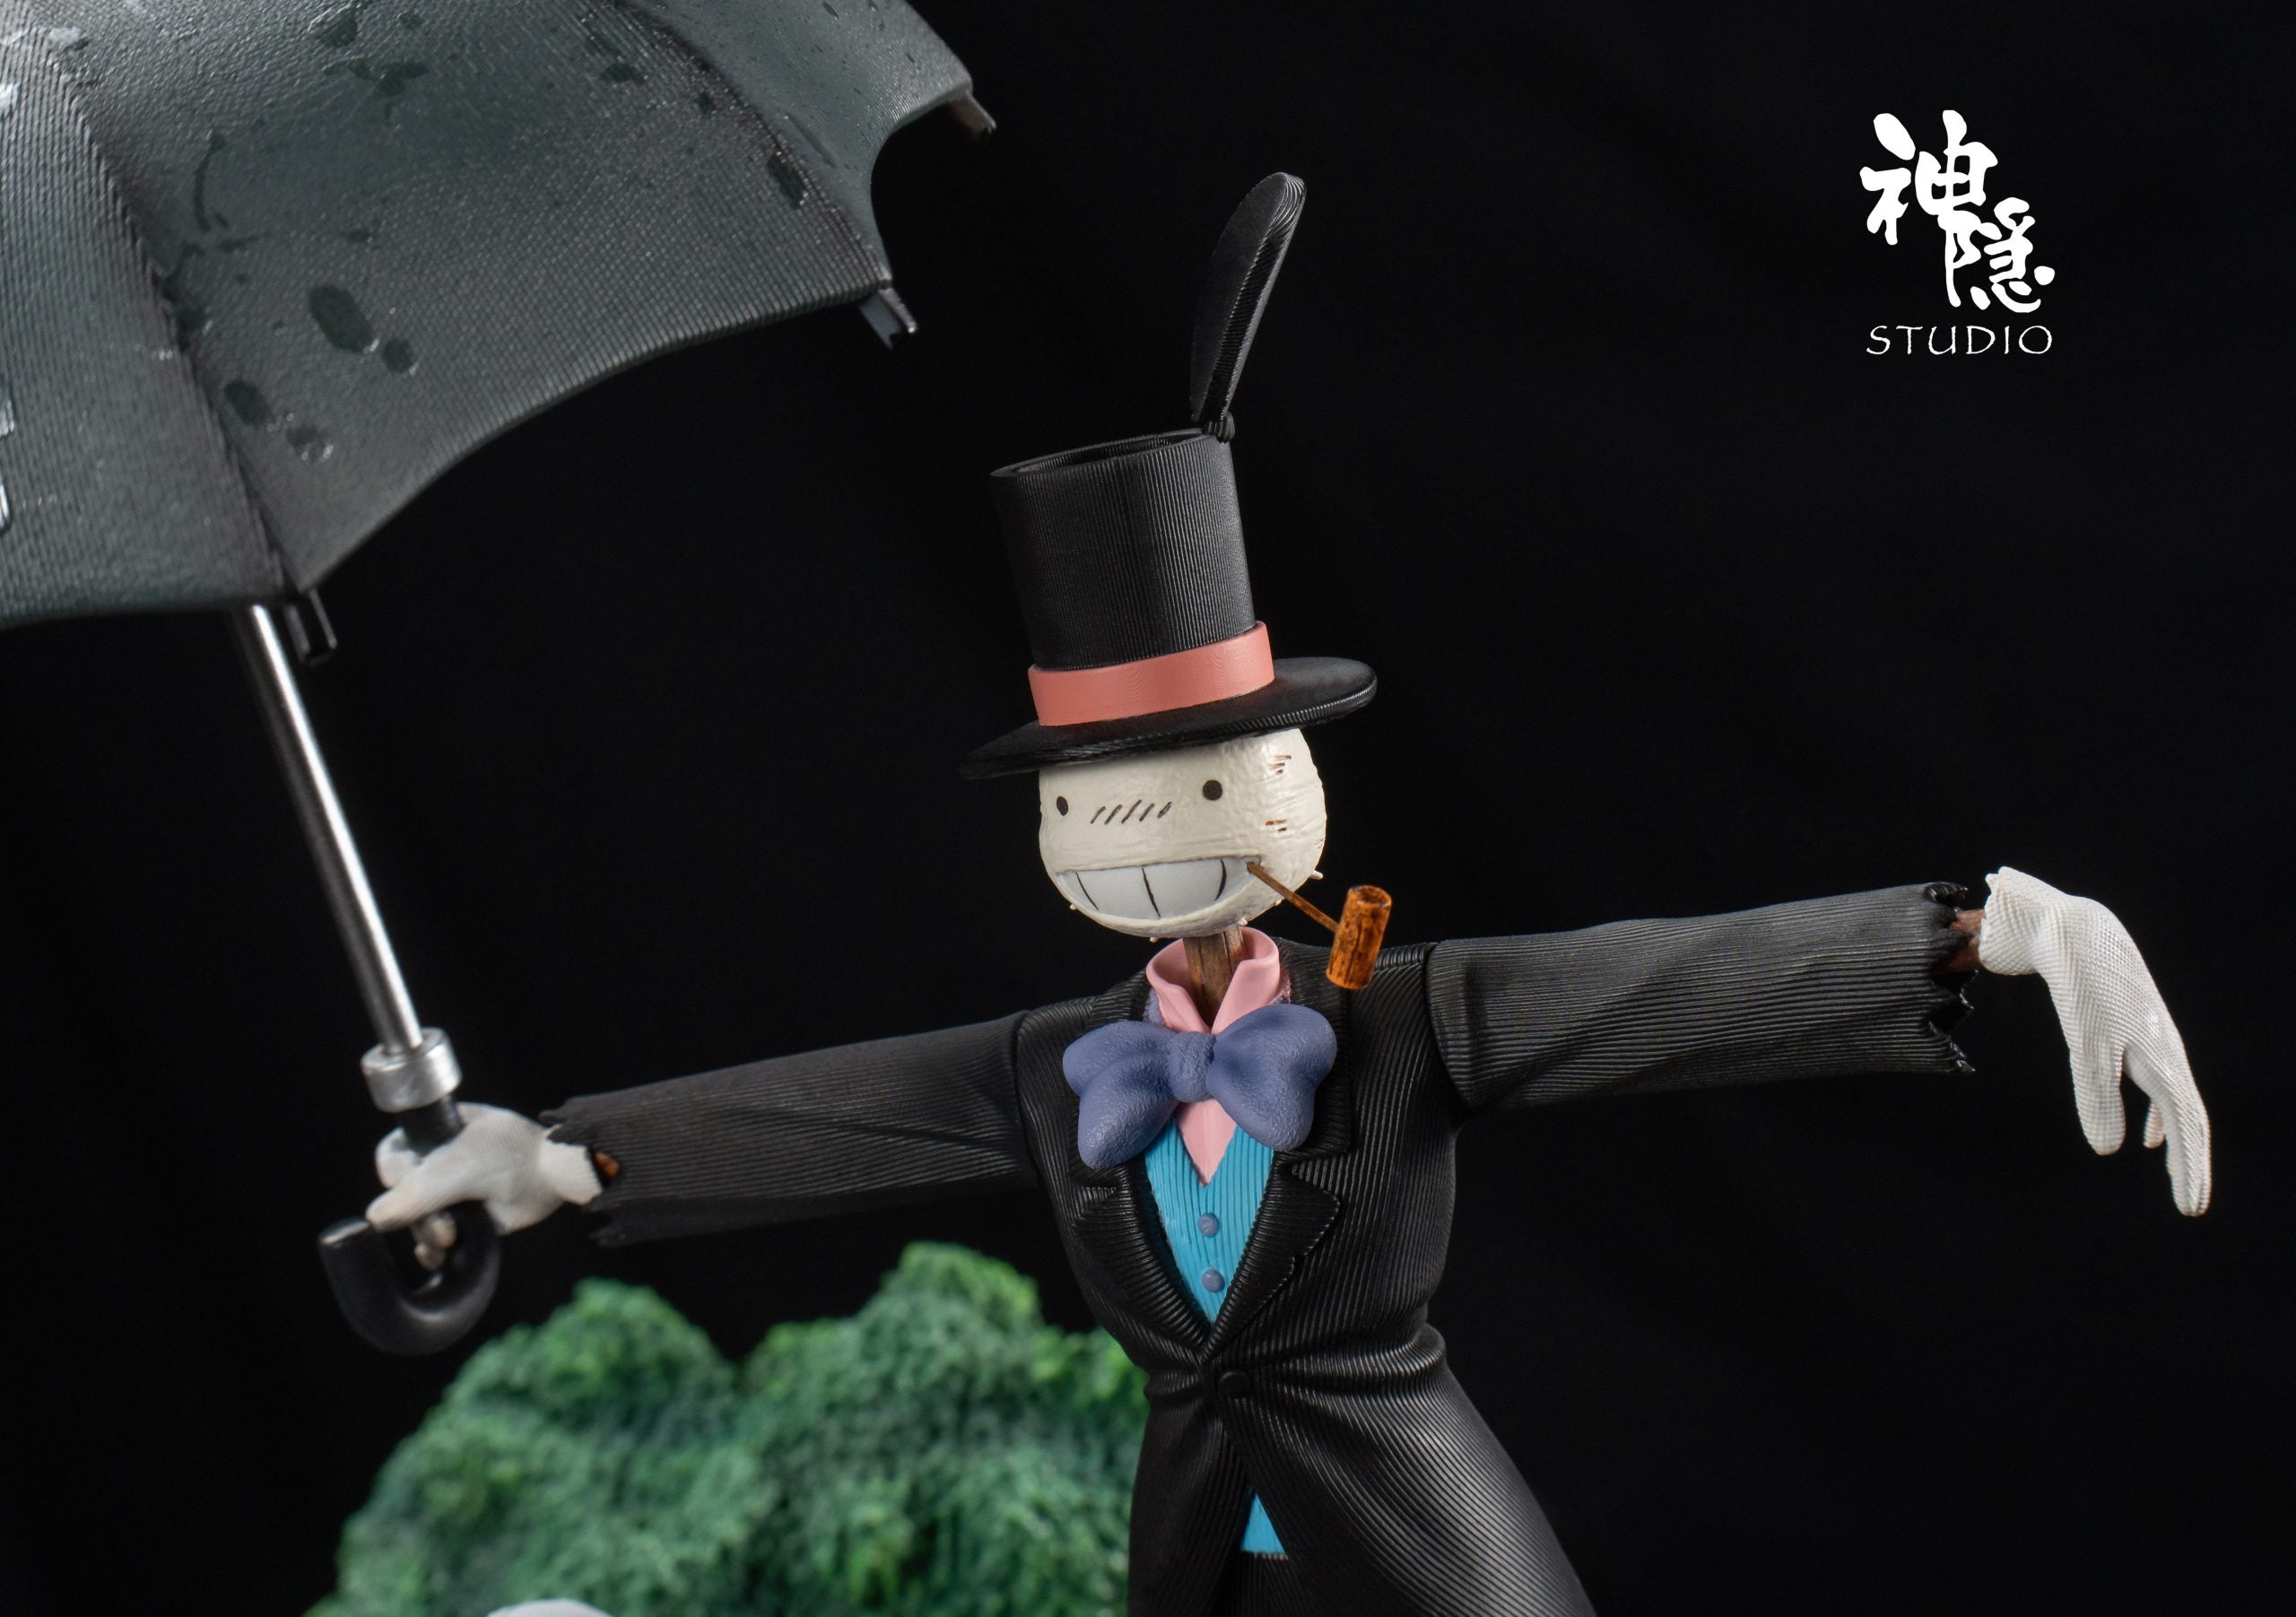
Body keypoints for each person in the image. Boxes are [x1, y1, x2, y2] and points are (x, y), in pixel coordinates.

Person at [365, 177, 2210, 1617]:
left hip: (1412, 1527)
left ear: (1295, 782)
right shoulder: (1054, 1065)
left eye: (1205, 780)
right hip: (1205, 1542)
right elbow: (828, 1115)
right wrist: (558, 1157)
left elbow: (1659, 989)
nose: (1158, 834)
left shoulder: (1399, 1012)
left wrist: (1992, 925)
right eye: (1102, 797)